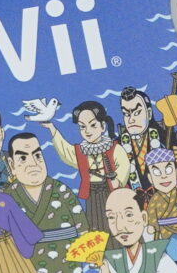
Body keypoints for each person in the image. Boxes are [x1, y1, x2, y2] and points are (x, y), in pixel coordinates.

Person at [6, 129, 88, 273]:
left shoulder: (60, 189)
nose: (33, 164)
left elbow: (78, 215)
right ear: (12, 165)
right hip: (33, 250)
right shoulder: (9, 196)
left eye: (37, 156)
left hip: (65, 246)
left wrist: (86, 240)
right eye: (23, 158)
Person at [43, 99, 120, 231]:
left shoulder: (114, 148)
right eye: (82, 127)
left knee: (116, 222)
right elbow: (66, 151)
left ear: (103, 126)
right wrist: (52, 129)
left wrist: (119, 180)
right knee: (96, 224)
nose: (87, 131)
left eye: (93, 125)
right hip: (92, 194)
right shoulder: (81, 151)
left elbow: (123, 166)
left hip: (111, 191)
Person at [110, 87, 164, 189]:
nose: (131, 120)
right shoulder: (116, 146)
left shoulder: (164, 137)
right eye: (126, 114)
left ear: (149, 114)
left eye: (137, 113)